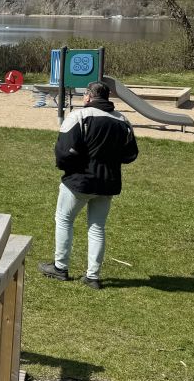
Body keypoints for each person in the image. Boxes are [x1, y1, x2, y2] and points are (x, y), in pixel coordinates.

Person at [39, 80, 139, 289]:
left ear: (88, 97)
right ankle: (93, 276)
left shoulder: (79, 116)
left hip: (79, 181)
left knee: (64, 219)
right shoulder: (122, 120)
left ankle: (60, 267)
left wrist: (69, 168)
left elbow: (63, 151)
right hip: (108, 182)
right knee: (97, 228)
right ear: (108, 97)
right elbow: (131, 154)